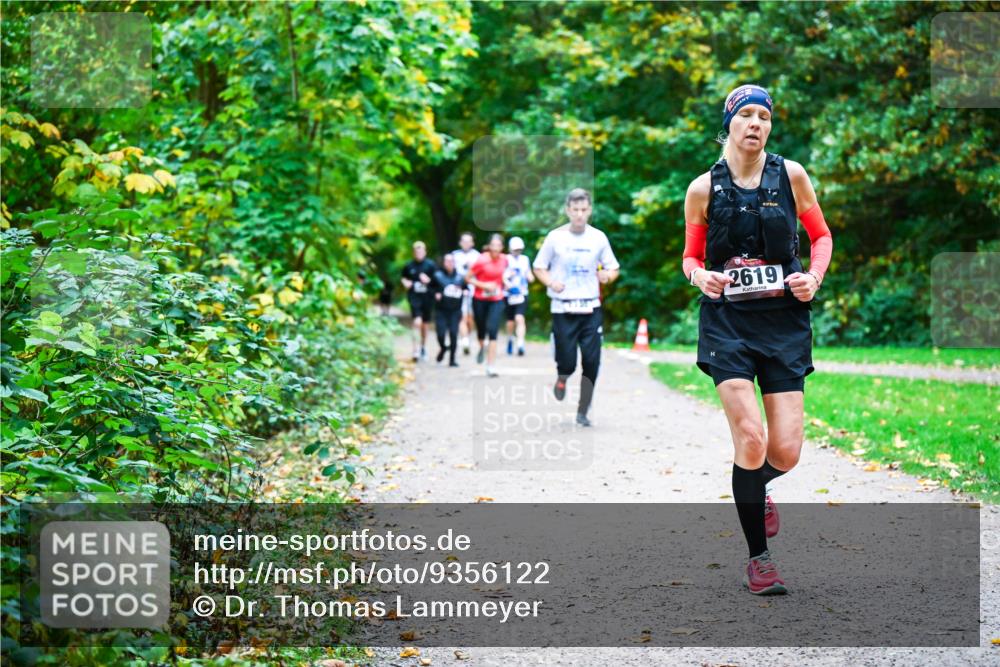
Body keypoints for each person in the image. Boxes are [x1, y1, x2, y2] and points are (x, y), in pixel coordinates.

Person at [682, 84, 833, 595]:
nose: (755, 123)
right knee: (751, 438)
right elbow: (690, 257)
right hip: (727, 324)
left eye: (763, 116)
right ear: (728, 123)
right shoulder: (703, 188)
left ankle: (756, 485)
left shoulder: (791, 176)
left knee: (784, 452)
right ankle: (759, 560)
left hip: (784, 322)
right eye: (745, 114)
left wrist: (813, 277)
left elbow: (823, 236)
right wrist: (700, 277)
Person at [532, 188, 619, 427]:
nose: (580, 215)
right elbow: (539, 266)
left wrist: (607, 277)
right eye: (575, 210)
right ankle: (562, 377)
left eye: (584, 210)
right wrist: (550, 282)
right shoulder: (555, 238)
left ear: (589, 210)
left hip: (590, 308)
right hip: (563, 309)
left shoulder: (598, 238)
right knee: (568, 362)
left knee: (592, 362)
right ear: (568, 210)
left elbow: (613, 268)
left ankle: (583, 410)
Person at [464, 233, 508, 377]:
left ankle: (490, 366)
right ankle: (482, 346)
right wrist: (484, 285)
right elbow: (468, 278)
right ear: (489, 246)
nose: (495, 248)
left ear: (502, 247)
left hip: (497, 299)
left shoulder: (504, 260)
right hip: (479, 299)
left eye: (498, 245)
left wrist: (505, 283)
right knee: (481, 329)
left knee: (492, 330)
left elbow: (501, 275)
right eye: (493, 245)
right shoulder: (481, 260)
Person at [400, 241, 437, 361]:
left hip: (427, 298)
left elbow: (437, 281)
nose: (419, 253)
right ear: (413, 252)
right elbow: (403, 278)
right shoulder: (409, 265)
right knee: (417, 322)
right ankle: (415, 350)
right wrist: (406, 283)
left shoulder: (431, 265)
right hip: (414, 297)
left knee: (424, 325)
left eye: (421, 251)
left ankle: (423, 347)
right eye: (416, 251)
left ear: (425, 252)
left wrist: (429, 281)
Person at [503, 236, 535, 356]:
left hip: (522, 293)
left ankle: (520, 343)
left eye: (519, 249)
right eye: (515, 249)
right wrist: (507, 279)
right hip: (509, 294)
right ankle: (510, 338)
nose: (517, 252)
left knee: (519, 318)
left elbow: (528, 273)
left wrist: (530, 277)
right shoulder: (505, 259)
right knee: (510, 321)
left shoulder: (524, 259)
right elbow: (501, 276)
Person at [451, 232, 481, 356]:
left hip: (474, 290)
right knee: (462, 316)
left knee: (470, 318)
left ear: (472, 243)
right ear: (460, 242)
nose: (466, 243)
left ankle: (466, 337)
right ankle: (464, 340)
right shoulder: (454, 255)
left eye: (468, 241)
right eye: (464, 241)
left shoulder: (477, 256)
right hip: (458, 291)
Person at [433, 253, 465, 367]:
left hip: (455, 311)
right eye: (447, 261)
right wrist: (436, 294)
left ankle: (452, 359)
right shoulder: (437, 276)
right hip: (441, 311)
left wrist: (465, 292)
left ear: (454, 263)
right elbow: (430, 289)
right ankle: (443, 348)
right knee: (441, 334)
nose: (450, 263)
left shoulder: (460, 277)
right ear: (444, 262)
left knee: (453, 334)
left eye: (452, 261)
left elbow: (466, 289)